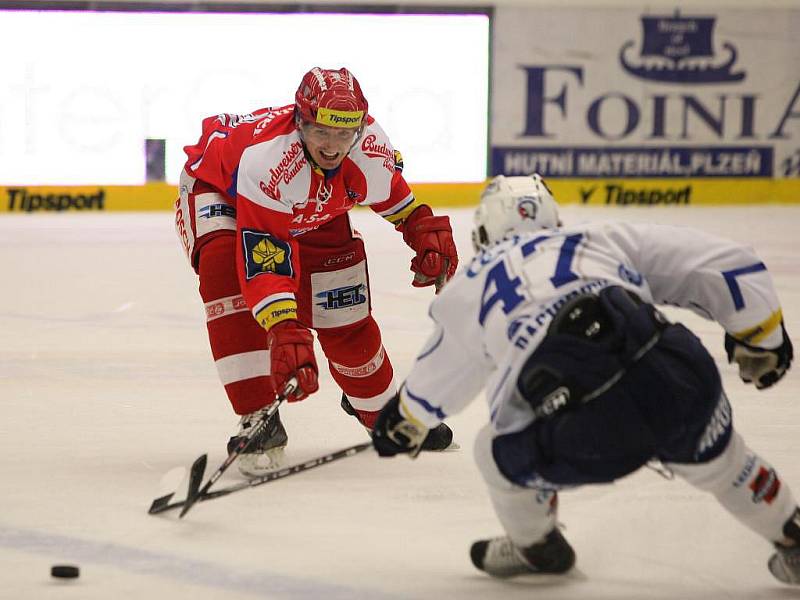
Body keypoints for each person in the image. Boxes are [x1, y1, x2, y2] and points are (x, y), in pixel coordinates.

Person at [371, 173, 798, 585]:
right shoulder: (598, 239)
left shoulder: (472, 282)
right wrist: (762, 335)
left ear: (484, 234)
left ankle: (536, 546)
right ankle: (788, 531)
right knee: (725, 464)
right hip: (675, 371)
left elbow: (440, 373)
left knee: (492, 448)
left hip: (589, 427)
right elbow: (724, 263)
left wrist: (405, 421)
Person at [174, 67, 458, 476]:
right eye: (321, 132)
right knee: (226, 278)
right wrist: (285, 330)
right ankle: (259, 417)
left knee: (343, 309)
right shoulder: (268, 162)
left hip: (308, 206)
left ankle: (381, 412)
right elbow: (266, 259)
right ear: (300, 121)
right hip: (223, 191)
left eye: (345, 134)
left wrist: (420, 228)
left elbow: (395, 198)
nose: (333, 146)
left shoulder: (370, 149)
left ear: (360, 129)